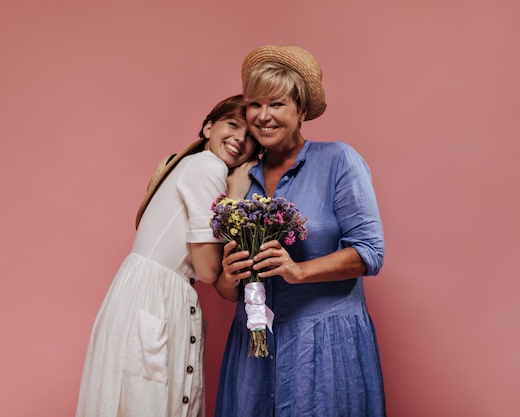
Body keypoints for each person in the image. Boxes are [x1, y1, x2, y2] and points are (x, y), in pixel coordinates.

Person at [213, 46, 386, 416]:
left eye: (276, 104)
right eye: (254, 104)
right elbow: (228, 290)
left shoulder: (339, 160)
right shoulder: (240, 178)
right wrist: (228, 278)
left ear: (301, 110)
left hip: (323, 347)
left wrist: (298, 271)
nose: (263, 116)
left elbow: (370, 251)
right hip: (252, 350)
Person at [75, 94, 258, 417]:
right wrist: (236, 192)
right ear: (207, 128)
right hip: (155, 297)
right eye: (233, 125)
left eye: (250, 137)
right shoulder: (207, 166)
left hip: (143, 293)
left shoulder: (189, 164)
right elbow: (206, 269)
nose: (239, 139)